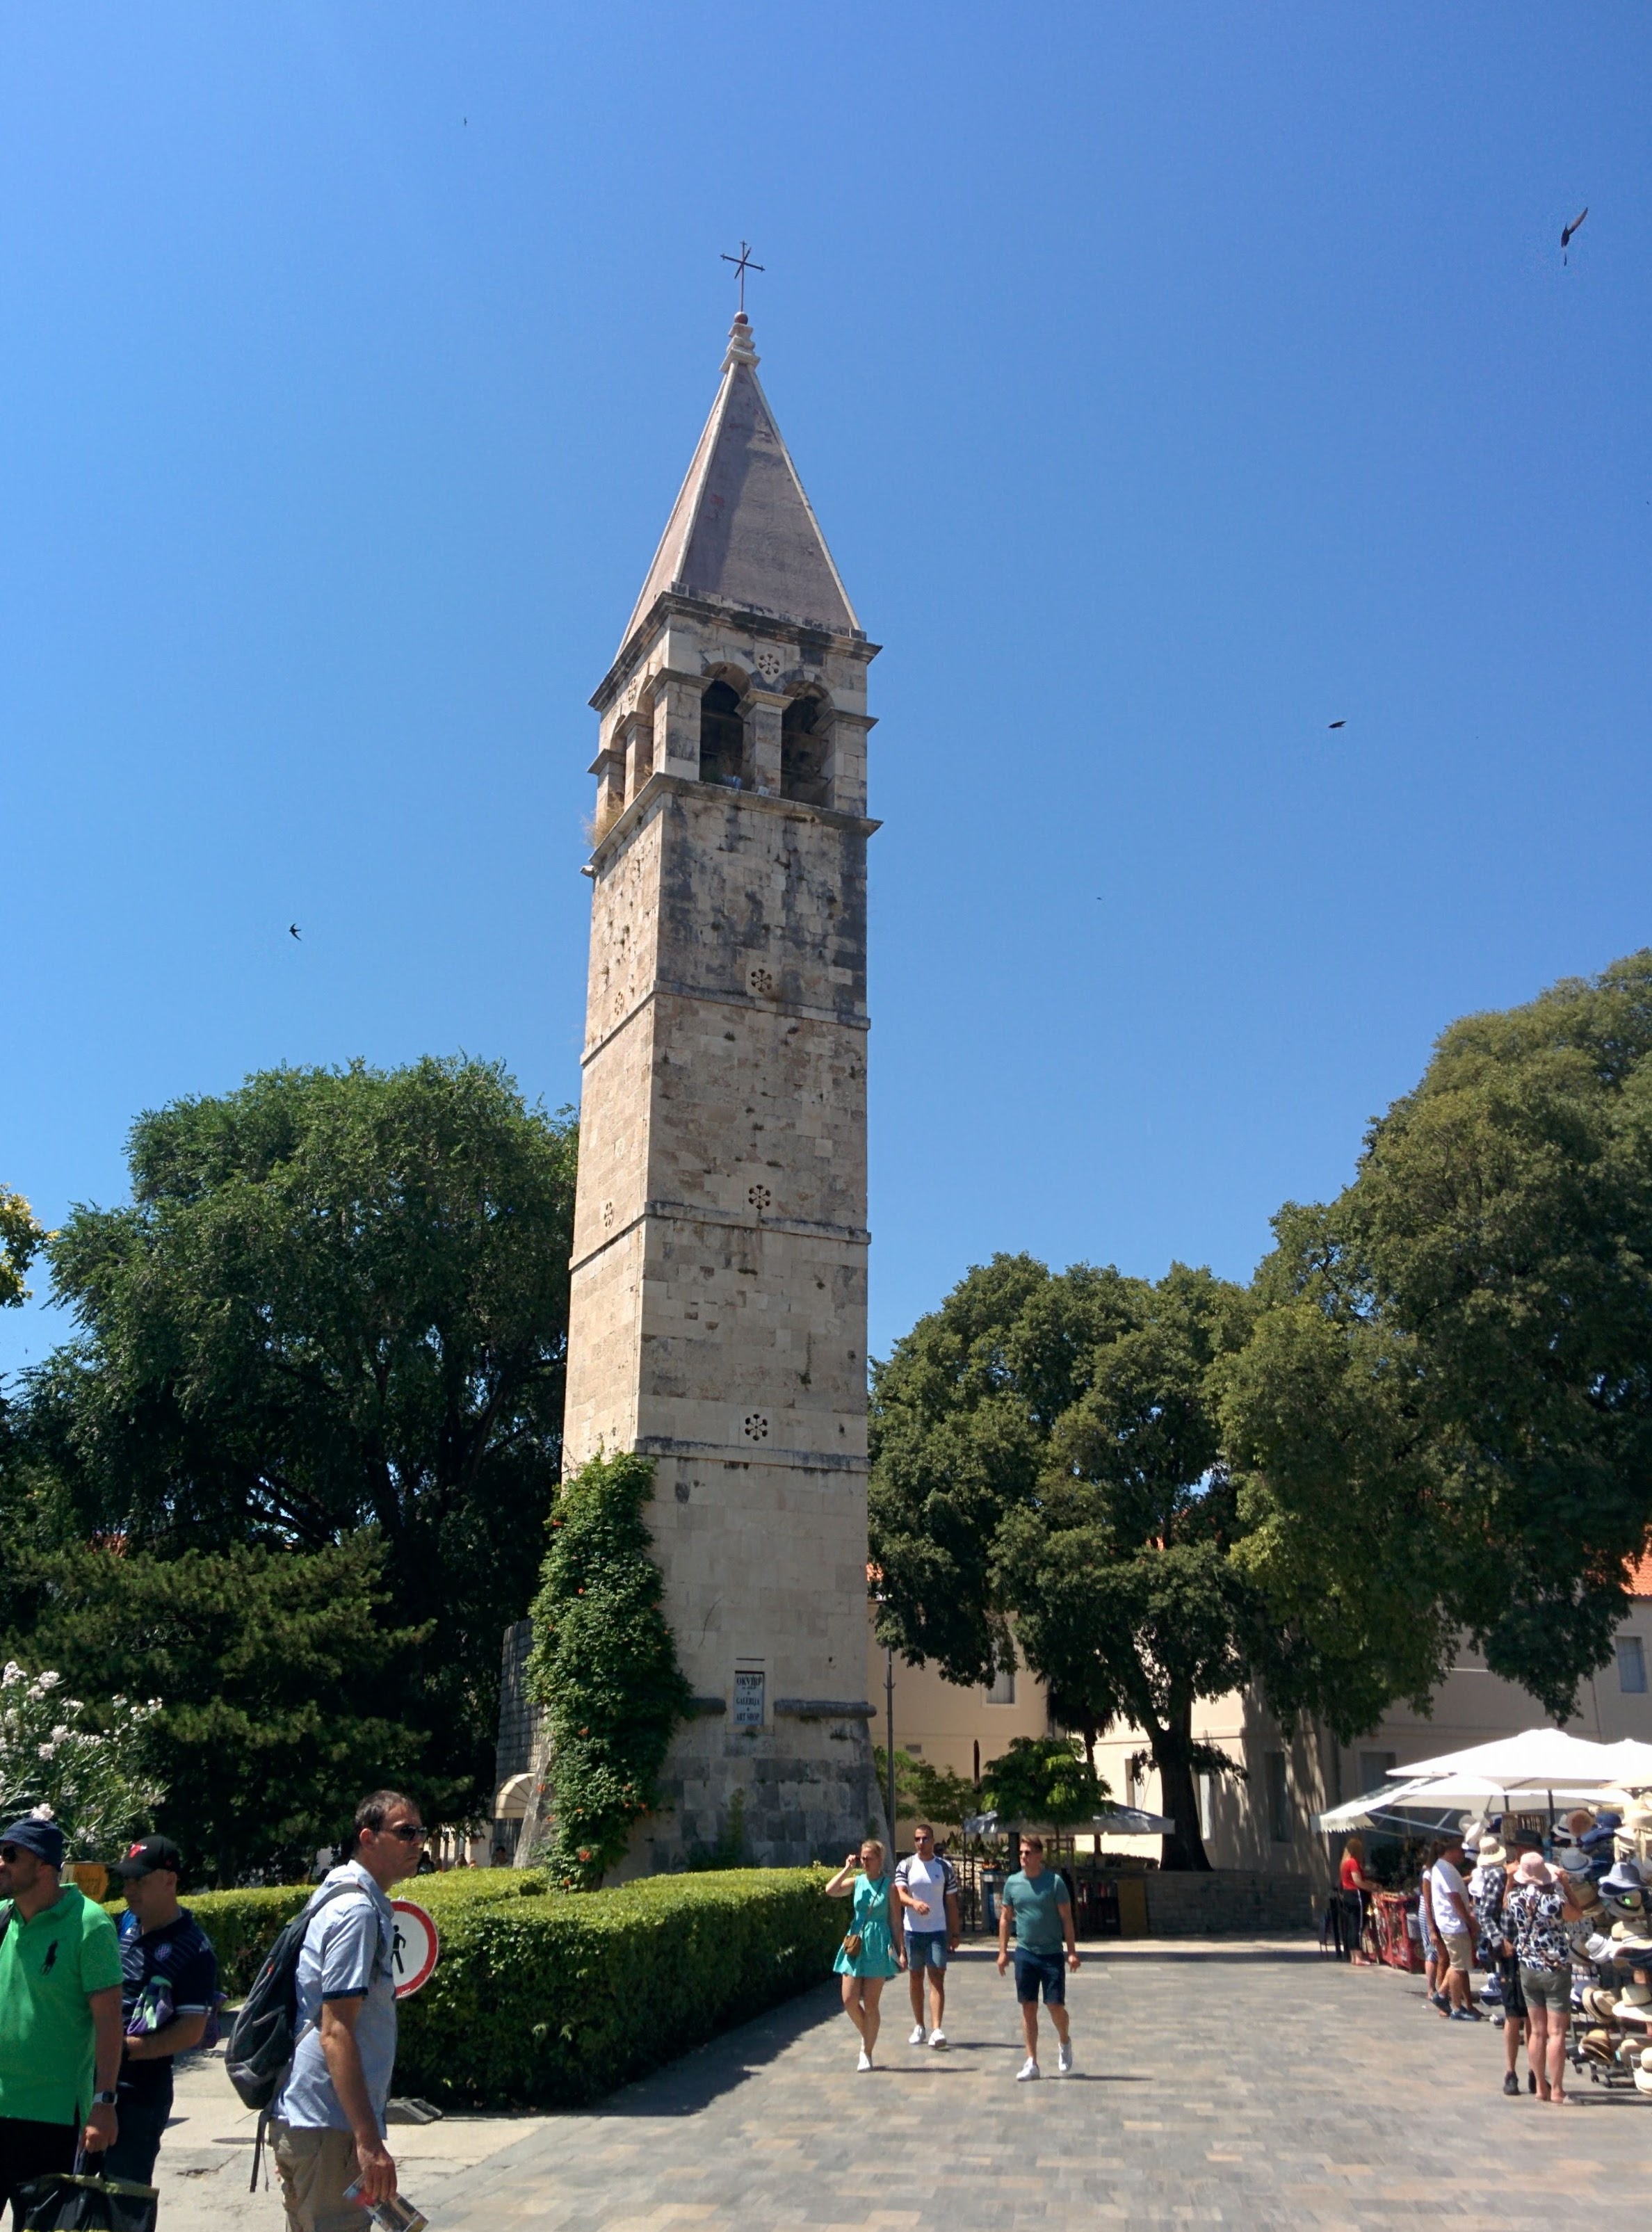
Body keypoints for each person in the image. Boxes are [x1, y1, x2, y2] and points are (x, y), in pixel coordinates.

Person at [270, 1790, 426, 2231]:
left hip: (314, 2120)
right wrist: (368, 2140)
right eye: (405, 1832)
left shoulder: (344, 1895)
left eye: (421, 1832)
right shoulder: (356, 1911)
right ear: (368, 1837)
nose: (418, 1842)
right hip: (327, 2124)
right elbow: (335, 2031)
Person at [0, 1815, 124, 2228]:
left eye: (10, 1855)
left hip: (51, 2118)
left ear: (45, 1867)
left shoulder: (89, 1924)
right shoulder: (3, 1918)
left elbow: (109, 2025)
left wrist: (103, 2104)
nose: (1, 1863)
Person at [104, 1835, 221, 2186]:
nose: (129, 1889)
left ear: (170, 1881)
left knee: (122, 2199)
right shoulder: (122, 1924)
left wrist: (125, 2050)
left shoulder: (195, 1948)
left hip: (140, 2092)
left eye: (139, 1880)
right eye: (126, 1880)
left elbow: (191, 2030)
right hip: (92, 2084)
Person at [1502, 1848, 1583, 2106]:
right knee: (1556, 2032)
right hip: (1555, 1967)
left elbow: (1505, 1905)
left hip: (1527, 1966)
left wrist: (1510, 1881)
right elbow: (1577, 1913)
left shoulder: (1515, 1897)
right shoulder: (1554, 1902)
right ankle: (1557, 2089)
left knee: (1536, 2031)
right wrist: (1566, 1885)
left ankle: (1540, 2087)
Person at [996, 1834, 1079, 2080]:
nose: (1023, 1857)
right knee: (1028, 2007)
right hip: (1025, 1953)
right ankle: (1031, 2061)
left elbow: (1066, 1917)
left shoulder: (1054, 1883)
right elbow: (1005, 1917)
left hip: (1052, 1954)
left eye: (1028, 1853)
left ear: (1039, 1855)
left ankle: (1064, 2040)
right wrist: (1002, 1952)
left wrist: (1072, 1952)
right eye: (1021, 1853)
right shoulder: (1012, 1883)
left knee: (1055, 2006)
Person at [825, 1841, 902, 2070]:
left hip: (878, 1943)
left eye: (869, 1858)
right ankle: (868, 2033)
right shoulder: (857, 1882)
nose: (865, 1862)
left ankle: (866, 2052)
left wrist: (902, 1951)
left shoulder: (889, 1887)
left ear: (880, 1860)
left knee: (871, 2003)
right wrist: (847, 1868)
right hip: (855, 1941)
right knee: (849, 2000)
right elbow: (831, 1890)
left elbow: (897, 1923)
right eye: (862, 1858)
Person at [1467, 1834, 1530, 2096]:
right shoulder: (1499, 1876)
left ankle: (1536, 2073)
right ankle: (1511, 2072)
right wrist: (1499, 1939)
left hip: (1535, 1954)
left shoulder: (1541, 1876)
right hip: (1511, 1954)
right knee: (1515, 2016)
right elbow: (1484, 1912)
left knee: (1535, 2018)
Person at [893, 1824, 961, 2048]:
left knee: (937, 1978)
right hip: (913, 1931)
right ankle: (919, 2025)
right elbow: (900, 1895)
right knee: (915, 1978)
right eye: (917, 1839)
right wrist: (914, 1903)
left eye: (925, 1839)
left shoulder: (944, 1868)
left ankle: (937, 2029)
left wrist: (955, 1932)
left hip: (937, 1931)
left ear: (933, 1841)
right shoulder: (906, 1865)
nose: (921, 1843)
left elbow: (951, 1902)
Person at [1428, 1836, 1481, 2020]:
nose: (1462, 1854)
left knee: (1457, 1963)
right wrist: (1468, 1919)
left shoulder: (1443, 1868)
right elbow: (1454, 1898)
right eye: (1460, 1850)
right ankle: (1455, 2006)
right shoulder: (1445, 1869)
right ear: (1452, 1850)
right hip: (1453, 1924)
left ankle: (1443, 1995)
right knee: (1458, 1965)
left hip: (1451, 1923)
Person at [1338, 1836, 1379, 1965]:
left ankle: (1353, 1956)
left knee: (1352, 1927)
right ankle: (1359, 1956)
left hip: (1347, 1894)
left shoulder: (1344, 1863)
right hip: (1357, 1896)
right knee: (1359, 1926)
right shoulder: (1353, 1863)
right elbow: (1358, 1881)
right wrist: (1372, 1887)